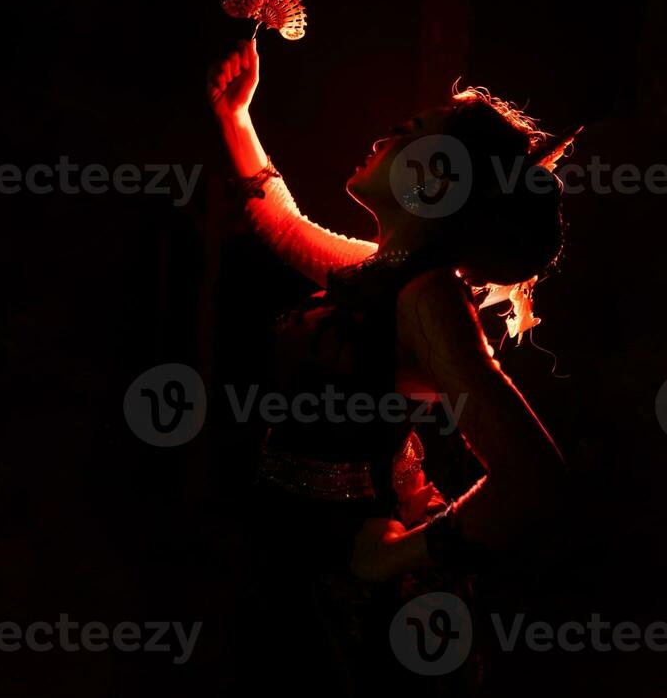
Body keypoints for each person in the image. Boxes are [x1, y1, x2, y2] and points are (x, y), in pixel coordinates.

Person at [208, 37, 571, 691]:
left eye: (405, 133)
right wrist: (237, 116)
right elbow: (278, 223)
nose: (383, 136)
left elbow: (535, 479)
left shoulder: (426, 297)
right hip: (297, 550)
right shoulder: (380, 273)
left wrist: (399, 555)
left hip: (357, 589)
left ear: (435, 179)